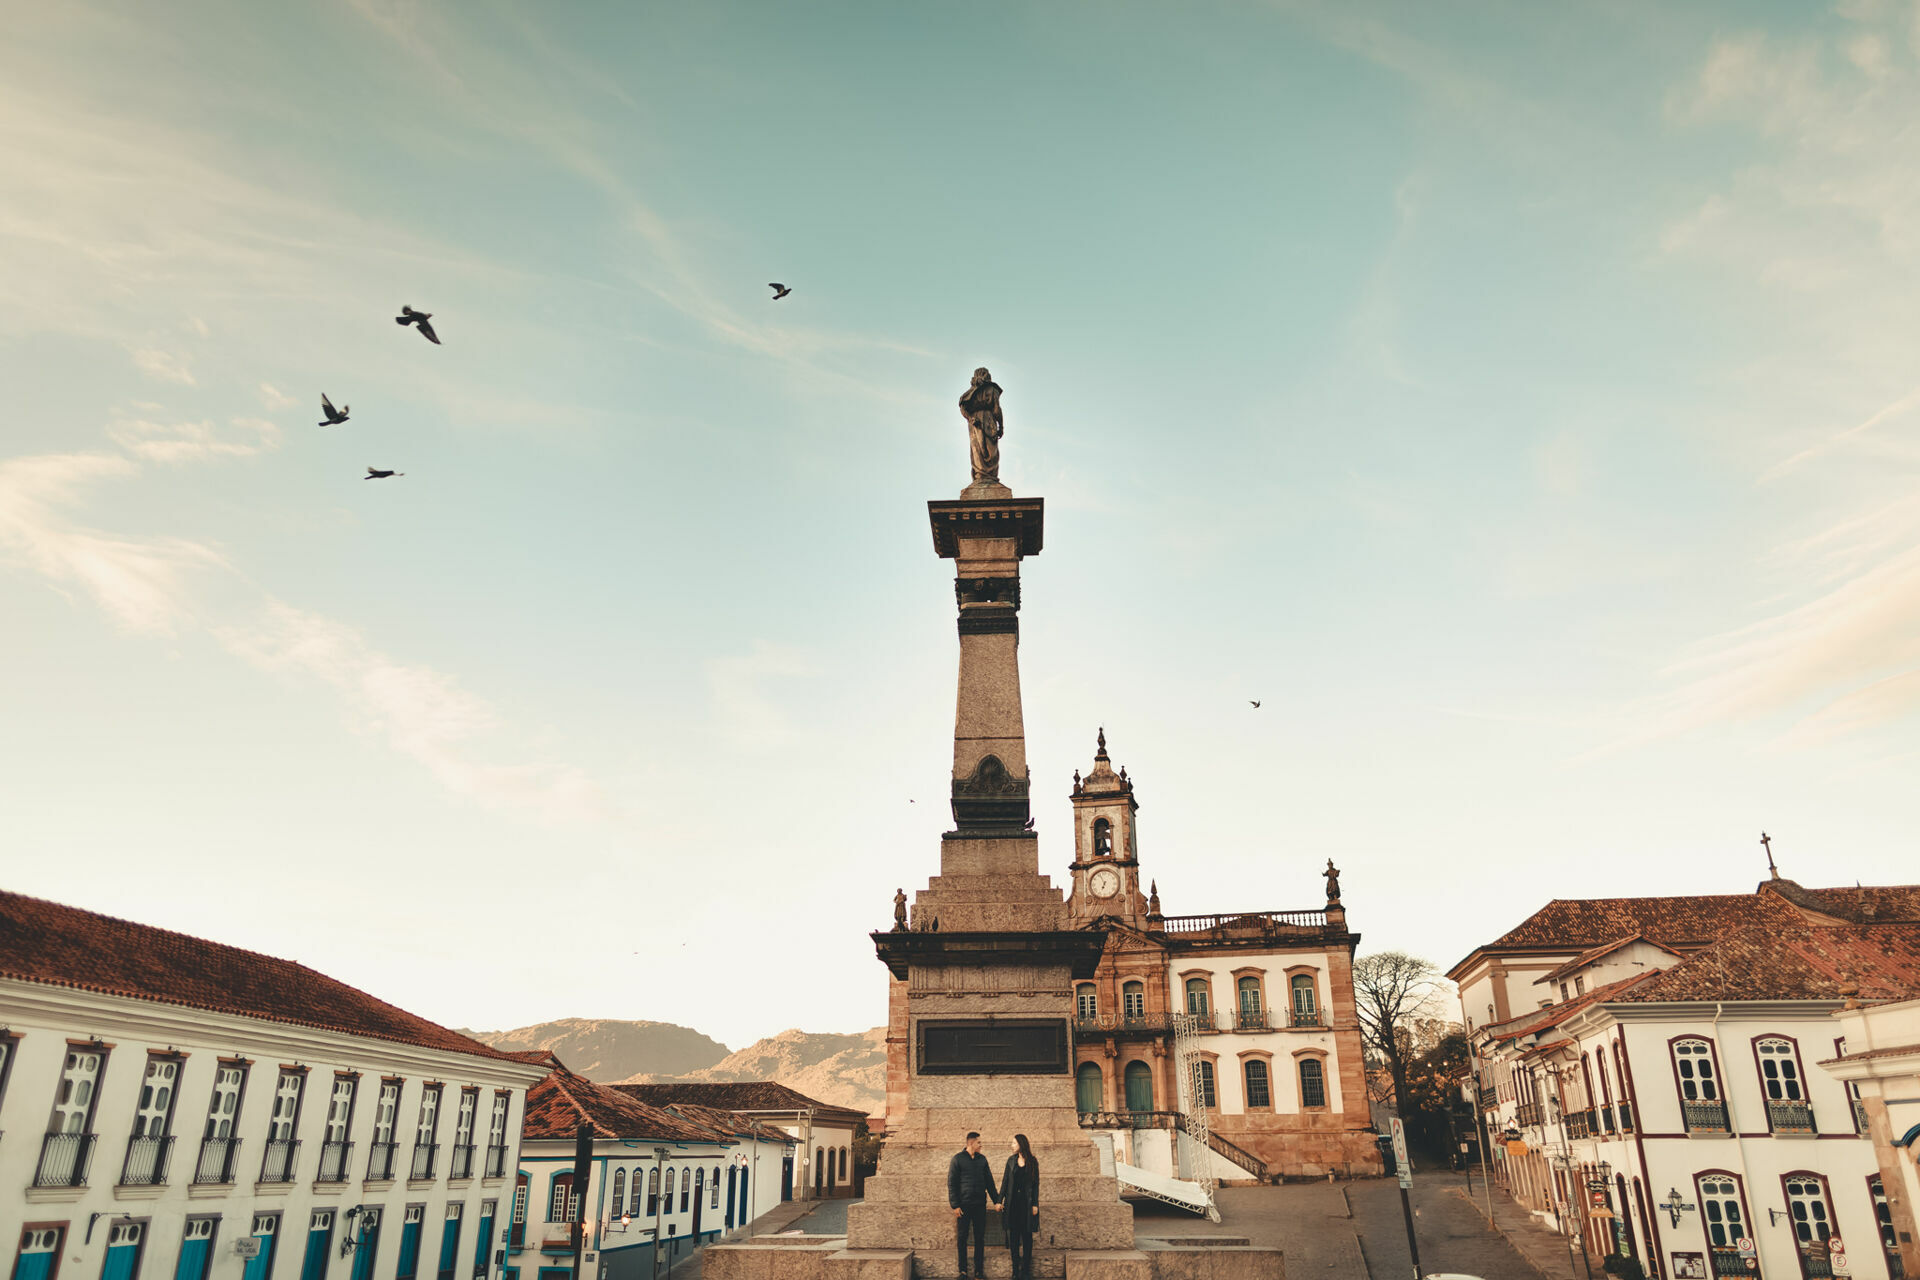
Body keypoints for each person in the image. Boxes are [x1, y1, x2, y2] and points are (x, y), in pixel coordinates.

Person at [947, 1130, 999, 1279]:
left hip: (979, 1205)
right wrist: (955, 1205)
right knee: (962, 1238)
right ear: (971, 1143)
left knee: (979, 1238)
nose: (981, 1145)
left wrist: (996, 1201)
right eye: (979, 1142)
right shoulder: (957, 1159)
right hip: (963, 1206)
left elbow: (989, 1182)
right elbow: (952, 1184)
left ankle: (979, 1271)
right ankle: (962, 1271)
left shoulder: (982, 1160)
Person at [999, 1133, 1040, 1280]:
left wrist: (1035, 1204)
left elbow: (1035, 1185)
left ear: (1021, 1144)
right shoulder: (1011, 1161)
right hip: (1013, 1205)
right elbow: (1005, 1182)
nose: (1012, 1145)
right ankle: (1015, 1271)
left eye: (1014, 1143)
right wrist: (999, 1200)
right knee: (1014, 1239)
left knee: (1027, 1238)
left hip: (1026, 1205)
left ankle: (1026, 1271)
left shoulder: (1033, 1162)